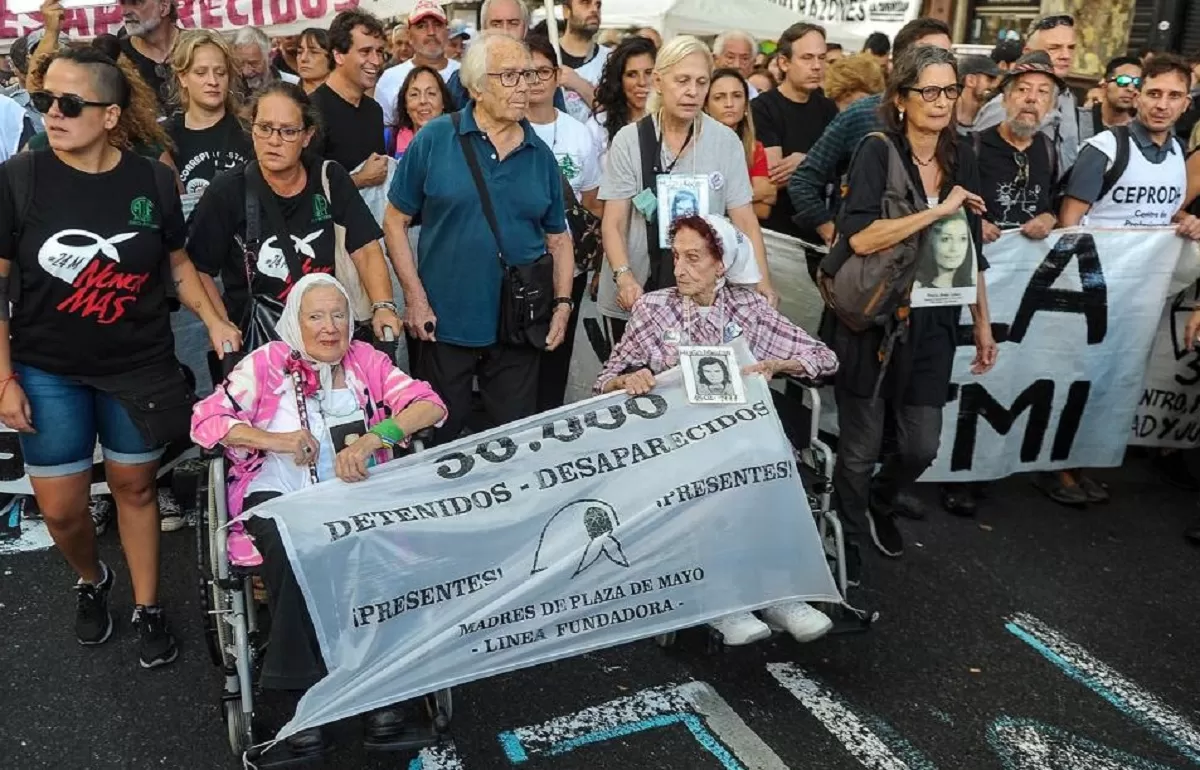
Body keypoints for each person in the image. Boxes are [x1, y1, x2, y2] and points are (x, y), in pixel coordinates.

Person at [0, 46, 241, 666]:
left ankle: (148, 605)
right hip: (48, 368)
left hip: (138, 364)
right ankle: (92, 579)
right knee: (61, 508)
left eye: (70, 103)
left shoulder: (152, 179)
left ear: (109, 116)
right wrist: (3, 378)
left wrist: (214, 321)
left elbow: (178, 265)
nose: (53, 112)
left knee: (135, 487)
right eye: (45, 100)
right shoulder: (19, 178)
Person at [190, 273, 446, 754]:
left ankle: (378, 695)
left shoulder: (365, 361)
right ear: (295, 322)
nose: (329, 328)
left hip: (356, 490)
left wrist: (377, 437)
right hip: (279, 489)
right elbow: (207, 419)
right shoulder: (265, 363)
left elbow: (428, 405)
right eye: (315, 316)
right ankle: (303, 699)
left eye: (339, 315)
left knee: (374, 547)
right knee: (296, 550)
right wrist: (277, 440)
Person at [594, 214, 838, 645]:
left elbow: (823, 357)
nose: (680, 269)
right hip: (677, 443)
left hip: (743, 439)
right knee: (715, 479)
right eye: (676, 257)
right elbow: (606, 378)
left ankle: (780, 595)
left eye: (694, 258)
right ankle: (723, 598)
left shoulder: (749, 309)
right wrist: (628, 380)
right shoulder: (654, 308)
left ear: (721, 264)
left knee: (768, 466)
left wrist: (780, 364)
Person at [822, 45, 995, 560]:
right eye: (929, 91)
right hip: (873, 321)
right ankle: (848, 538)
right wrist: (938, 211)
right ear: (901, 97)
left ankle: (881, 496)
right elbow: (860, 239)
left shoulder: (963, 155)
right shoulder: (878, 149)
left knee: (921, 445)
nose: (941, 102)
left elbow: (970, 251)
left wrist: (983, 325)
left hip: (935, 321)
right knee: (858, 449)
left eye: (949, 90)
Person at [384, 33, 574, 445]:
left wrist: (561, 305)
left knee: (513, 440)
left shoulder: (540, 155)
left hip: (518, 326)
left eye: (526, 74)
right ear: (476, 87)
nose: (523, 85)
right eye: (508, 76)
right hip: (444, 324)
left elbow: (559, 239)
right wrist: (414, 298)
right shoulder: (435, 139)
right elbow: (394, 220)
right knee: (440, 438)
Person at [1050, 53, 1200, 507]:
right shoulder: (1105, 149)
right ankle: (1055, 469)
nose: (1162, 104)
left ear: (1186, 101)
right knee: (1077, 380)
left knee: (1113, 384)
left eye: (1174, 96)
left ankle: (1077, 466)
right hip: (1093, 294)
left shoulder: (1177, 153)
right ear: (1138, 95)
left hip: (1140, 298)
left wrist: (1184, 222)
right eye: (1154, 93)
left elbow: (1158, 215)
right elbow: (1069, 225)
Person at [187, 82, 402, 344]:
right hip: (261, 344)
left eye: (288, 131)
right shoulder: (228, 191)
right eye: (264, 128)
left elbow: (366, 249)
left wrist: (383, 306)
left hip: (329, 336)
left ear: (307, 136)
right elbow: (198, 269)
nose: (274, 141)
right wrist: (219, 324)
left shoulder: (329, 178)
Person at [597, 35, 775, 348]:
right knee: (633, 386)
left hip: (704, 295)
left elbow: (745, 220)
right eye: (682, 80)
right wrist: (623, 276)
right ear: (658, 81)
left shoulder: (725, 142)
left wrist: (761, 280)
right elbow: (613, 221)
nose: (692, 92)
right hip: (638, 290)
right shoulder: (630, 140)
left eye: (701, 82)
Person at [942, 52, 1061, 518]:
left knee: (1009, 374)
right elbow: (949, 206)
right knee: (962, 371)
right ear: (1006, 97)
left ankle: (982, 463)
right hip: (974, 284)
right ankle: (950, 471)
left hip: (1022, 290)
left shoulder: (1048, 150)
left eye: (1042, 94)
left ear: (1051, 106)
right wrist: (978, 219)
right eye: (1023, 91)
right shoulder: (973, 147)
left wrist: (1049, 217)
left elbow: (1052, 206)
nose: (1031, 101)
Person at [787, 17, 952, 247]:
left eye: (947, 56)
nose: (941, 65)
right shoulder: (863, 114)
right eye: (929, 55)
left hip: (934, 259)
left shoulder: (949, 121)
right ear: (900, 62)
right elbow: (803, 180)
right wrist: (830, 232)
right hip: (871, 263)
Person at [525, 35, 602, 411]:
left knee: (558, 350)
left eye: (544, 71)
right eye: (528, 72)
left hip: (566, 265)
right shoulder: (507, 127)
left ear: (557, 76)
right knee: (520, 356)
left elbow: (591, 200)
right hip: (519, 264)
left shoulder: (578, 132)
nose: (536, 80)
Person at [751, 23, 838, 246]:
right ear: (784, 62)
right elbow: (775, 175)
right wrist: (820, 164)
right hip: (777, 236)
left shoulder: (828, 109)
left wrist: (805, 161)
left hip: (819, 232)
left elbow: (841, 168)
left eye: (822, 58)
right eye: (807, 58)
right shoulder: (763, 107)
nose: (817, 66)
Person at [973, 14, 1080, 175]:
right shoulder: (1005, 105)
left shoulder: (1068, 99)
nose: (1065, 55)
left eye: (1071, 47)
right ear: (1028, 52)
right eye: (1054, 48)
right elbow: (978, 165)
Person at [165, 30, 254, 220]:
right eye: (201, 72)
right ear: (182, 77)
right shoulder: (165, 137)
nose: (213, 81)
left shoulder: (250, 132)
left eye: (220, 73)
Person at [310, 10, 389, 189]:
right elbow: (303, 188)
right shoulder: (311, 111)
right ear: (338, 55)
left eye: (379, 51)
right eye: (365, 51)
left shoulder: (374, 110)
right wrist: (359, 180)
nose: (376, 61)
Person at [376, 0, 460, 131]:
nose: (431, 32)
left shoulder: (464, 74)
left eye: (437, 25)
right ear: (409, 35)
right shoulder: (389, 79)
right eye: (421, 26)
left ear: (447, 33)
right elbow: (384, 130)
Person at [706, 68, 774, 220]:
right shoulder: (694, 147)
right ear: (706, 106)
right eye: (719, 97)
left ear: (745, 105)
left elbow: (763, 210)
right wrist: (756, 194)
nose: (729, 104)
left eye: (737, 96)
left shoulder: (755, 148)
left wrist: (716, 200)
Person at [586, 35, 655, 171]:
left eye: (648, 72)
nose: (642, 82)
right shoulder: (598, 127)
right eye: (632, 74)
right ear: (619, 80)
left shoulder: (671, 123)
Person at [118, 0, 181, 112]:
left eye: (136, 3)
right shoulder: (117, 55)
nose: (125, 12)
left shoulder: (198, 49)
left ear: (164, 7)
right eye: (122, 3)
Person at [558, 0, 610, 123]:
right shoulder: (546, 56)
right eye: (585, 3)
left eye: (598, 5)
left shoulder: (611, 60)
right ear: (566, 11)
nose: (594, 9)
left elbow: (616, 114)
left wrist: (579, 84)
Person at [386, 64, 452, 160]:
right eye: (414, 94)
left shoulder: (458, 141)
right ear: (405, 104)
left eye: (431, 93)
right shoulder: (389, 139)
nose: (423, 101)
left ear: (443, 103)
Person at [1078, 56, 1140, 141]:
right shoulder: (1078, 120)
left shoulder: (1140, 129)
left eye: (1137, 83)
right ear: (1104, 85)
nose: (1130, 89)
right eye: (1123, 81)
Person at [230, 26, 299, 95]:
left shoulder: (294, 85)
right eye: (239, 64)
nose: (246, 72)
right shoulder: (228, 91)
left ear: (269, 57)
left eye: (253, 64)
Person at [956, 55, 1002, 134]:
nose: (994, 85)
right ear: (970, 80)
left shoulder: (997, 113)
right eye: (989, 79)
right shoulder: (945, 116)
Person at [713, 30, 757, 96]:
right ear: (715, 59)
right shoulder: (702, 89)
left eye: (744, 59)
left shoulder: (755, 97)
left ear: (753, 63)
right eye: (730, 57)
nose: (737, 65)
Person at [295, 27, 334, 95]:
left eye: (314, 52)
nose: (303, 58)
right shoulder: (286, 98)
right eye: (300, 52)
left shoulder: (350, 97)